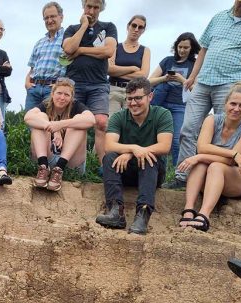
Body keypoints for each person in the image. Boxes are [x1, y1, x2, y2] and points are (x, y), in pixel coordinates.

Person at [163, 0, 241, 190]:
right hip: (204, 80)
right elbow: (204, 48)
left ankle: (220, 177)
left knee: (227, 135)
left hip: (232, 82)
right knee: (188, 129)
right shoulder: (219, 17)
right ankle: (183, 177)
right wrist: (193, 76)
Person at [178, 82, 241, 232]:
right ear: (225, 103)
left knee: (211, 164)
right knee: (202, 163)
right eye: (233, 103)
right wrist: (234, 153)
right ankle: (188, 209)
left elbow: (230, 162)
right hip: (212, 174)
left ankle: (204, 215)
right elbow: (202, 147)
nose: (236, 109)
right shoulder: (212, 119)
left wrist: (200, 156)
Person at [95, 77, 173, 235]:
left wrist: (131, 154)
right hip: (125, 171)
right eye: (129, 99)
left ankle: (143, 214)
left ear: (150, 97)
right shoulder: (119, 116)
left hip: (152, 171)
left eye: (138, 98)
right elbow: (109, 145)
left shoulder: (162, 114)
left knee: (150, 157)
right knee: (109, 157)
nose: (133, 103)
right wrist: (134, 149)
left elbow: (164, 146)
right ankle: (115, 210)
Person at [62, 0, 117, 162]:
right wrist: (84, 26)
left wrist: (80, 51)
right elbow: (68, 49)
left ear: (101, 9)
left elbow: (108, 51)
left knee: (101, 122)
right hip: (74, 84)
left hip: (98, 84)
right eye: (89, 7)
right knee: (73, 123)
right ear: (83, 6)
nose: (92, 11)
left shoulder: (108, 27)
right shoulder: (72, 29)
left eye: (96, 7)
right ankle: (72, 164)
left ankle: (102, 166)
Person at [24, 78, 95, 191]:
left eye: (66, 95)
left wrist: (62, 124)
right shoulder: (46, 105)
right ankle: (43, 167)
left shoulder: (76, 106)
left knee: (78, 121)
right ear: (52, 94)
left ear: (71, 97)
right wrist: (53, 128)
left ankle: (59, 169)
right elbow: (28, 117)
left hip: (70, 163)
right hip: (48, 157)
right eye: (59, 93)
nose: (62, 98)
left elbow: (91, 120)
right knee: (40, 117)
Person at [149, 32, 201, 166]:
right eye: (180, 47)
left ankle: (178, 171)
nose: (182, 50)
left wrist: (182, 79)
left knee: (177, 139)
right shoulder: (167, 60)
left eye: (186, 48)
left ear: (192, 49)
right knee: (155, 137)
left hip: (180, 105)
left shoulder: (195, 64)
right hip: (160, 102)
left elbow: (197, 90)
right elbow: (149, 82)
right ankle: (158, 168)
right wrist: (164, 78)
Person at [25, 2, 66, 112]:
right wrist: (27, 83)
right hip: (34, 89)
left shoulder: (68, 39)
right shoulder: (39, 43)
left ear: (61, 17)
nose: (49, 20)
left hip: (53, 89)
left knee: (50, 124)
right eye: (46, 18)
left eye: (52, 16)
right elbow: (32, 68)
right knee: (31, 122)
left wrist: (59, 86)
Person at [108, 15, 151, 115]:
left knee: (132, 124)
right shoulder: (115, 46)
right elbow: (109, 69)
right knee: (111, 123)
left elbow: (143, 75)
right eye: (134, 25)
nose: (136, 29)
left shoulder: (145, 50)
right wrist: (132, 68)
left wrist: (116, 72)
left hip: (134, 92)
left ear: (143, 30)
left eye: (140, 27)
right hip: (114, 89)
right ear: (128, 26)